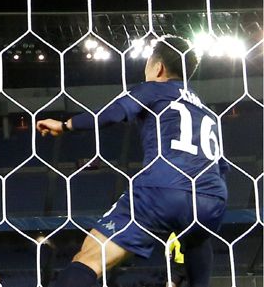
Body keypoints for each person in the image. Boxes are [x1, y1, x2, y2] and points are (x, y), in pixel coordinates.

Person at [36, 36, 227, 287]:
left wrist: (65, 125)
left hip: (162, 191)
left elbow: (113, 113)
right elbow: (221, 167)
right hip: (211, 201)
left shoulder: (153, 89)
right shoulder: (207, 112)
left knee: (89, 258)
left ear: (157, 67)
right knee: (197, 243)